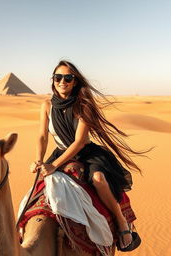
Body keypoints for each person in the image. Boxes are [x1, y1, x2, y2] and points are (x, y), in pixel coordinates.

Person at [30, 60, 145, 251]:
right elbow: (42, 136)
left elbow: (79, 142)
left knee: (99, 180)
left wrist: (54, 165)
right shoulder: (46, 105)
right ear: (53, 80)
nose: (62, 82)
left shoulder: (83, 105)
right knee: (37, 190)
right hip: (59, 152)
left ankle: (121, 222)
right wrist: (39, 160)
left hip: (85, 154)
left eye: (68, 78)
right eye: (58, 77)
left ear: (75, 81)